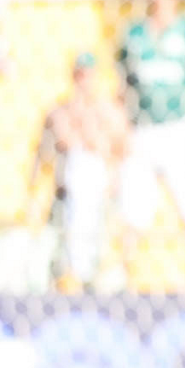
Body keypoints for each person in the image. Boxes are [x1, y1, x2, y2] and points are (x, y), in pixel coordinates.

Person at [116, 0, 185, 239]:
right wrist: (123, 125)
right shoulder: (134, 32)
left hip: (178, 126)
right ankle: (126, 262)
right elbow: (122, 84)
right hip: (142, 127)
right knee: (133, 210)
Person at [32, 53, 129, 290]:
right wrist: (32, 190)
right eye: (79, 75)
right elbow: (42, 153)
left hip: (100, 193)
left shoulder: (109, 112)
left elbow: (123, 150)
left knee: (98, 252)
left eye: (87, 75)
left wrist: (99, 146)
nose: (83, 81)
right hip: (65, 194)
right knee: (58, 250)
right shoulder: (59, 112)